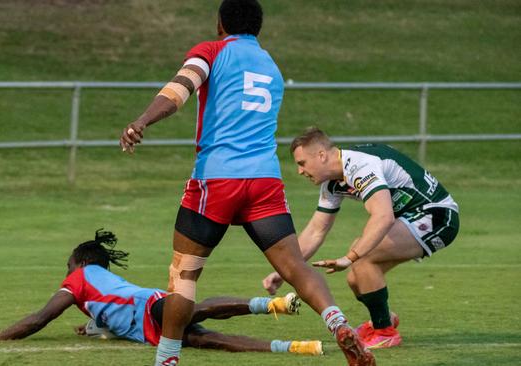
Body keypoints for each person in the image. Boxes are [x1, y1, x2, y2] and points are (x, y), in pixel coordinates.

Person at [119, 1, 375, 365]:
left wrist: (142, 121)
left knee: (184, 273)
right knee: (296, 267)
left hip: (217, 179)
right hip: (264, 181)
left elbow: (180, 89)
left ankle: (167, 359)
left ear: (220, 23)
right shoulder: (270, 66)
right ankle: (337, 323)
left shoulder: (210, 51)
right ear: (258, 28)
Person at [0, 230, 325, 357]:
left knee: (201, 313)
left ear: (80, 263)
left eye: (69, 266)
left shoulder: (81, 278)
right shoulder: (94, 288)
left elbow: (39, 318)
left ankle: (272, 304)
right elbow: (109, 315)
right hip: (148, 326)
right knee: (212, 341)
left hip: (150, 309)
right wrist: (91, 329)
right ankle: (295, 348)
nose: (66, 274)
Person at [262, 127, 460, 349]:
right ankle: (382, 318)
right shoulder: (333, 182)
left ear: (321, 155)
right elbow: (317, 229)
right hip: (410, 217)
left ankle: (385, 332)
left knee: (363, 258)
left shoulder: (359, 166)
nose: (299, 171)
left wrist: (350, 256)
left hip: (437, 214)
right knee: (356, 278)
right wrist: (288, 268)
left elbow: (383, 217)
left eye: (302, 163)